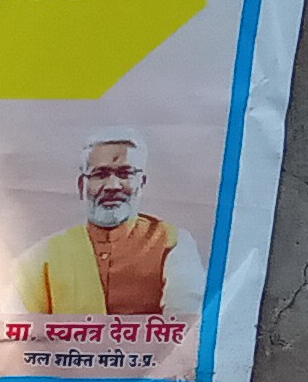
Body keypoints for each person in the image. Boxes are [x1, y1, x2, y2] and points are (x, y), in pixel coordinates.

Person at [11, 133, 203, 318]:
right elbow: (16, 326)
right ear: (82, 185)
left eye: (125, 173)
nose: (113, 186)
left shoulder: (172, 243)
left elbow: (186, 323)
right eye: (100, 174)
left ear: (141, 183)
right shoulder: (43, 257)